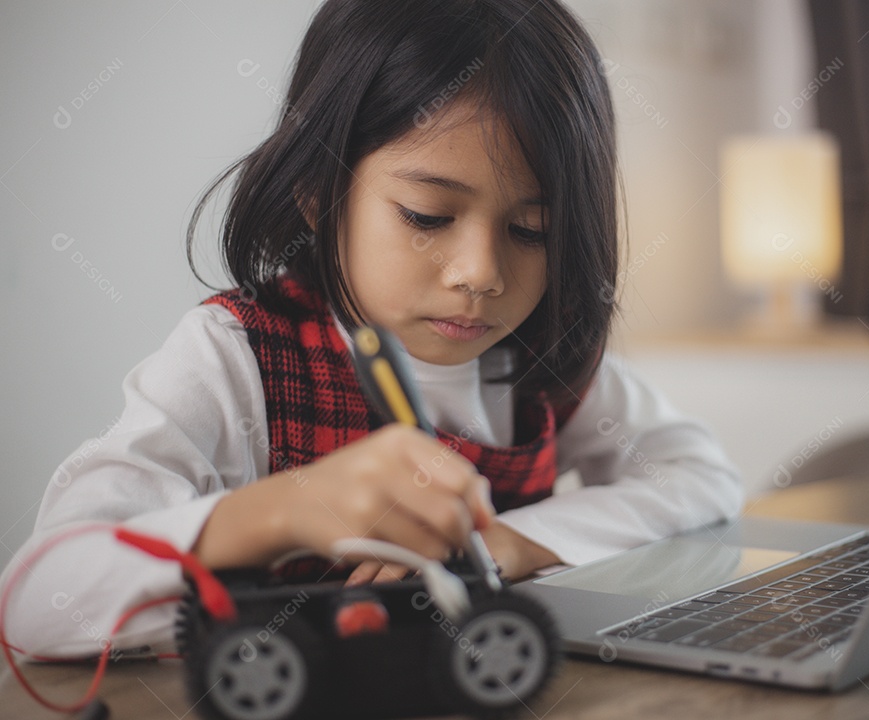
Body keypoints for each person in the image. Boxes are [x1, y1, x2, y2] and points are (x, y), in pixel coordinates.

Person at [2, 0, 742, 658]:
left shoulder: (538, 358)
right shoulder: (238, 358)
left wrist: (514, 541)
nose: (480, 273)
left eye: (532, 229)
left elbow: (701, 475)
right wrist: (279, 511)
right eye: (427, 217)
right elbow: (38, 599)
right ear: (322, 196)